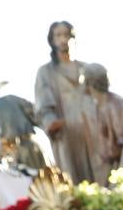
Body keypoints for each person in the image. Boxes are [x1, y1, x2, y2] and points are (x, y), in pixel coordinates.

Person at [34, 21, 106, 186]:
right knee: (73, 178)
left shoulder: (87, 69)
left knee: (102, 175)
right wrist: (50, 122)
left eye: (66, 35)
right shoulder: (46, 72)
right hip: (67, 134)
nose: (63, 39)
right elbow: (43, 106)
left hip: (94, 131)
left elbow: (102, 98)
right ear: (52, 41)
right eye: (58, 35)